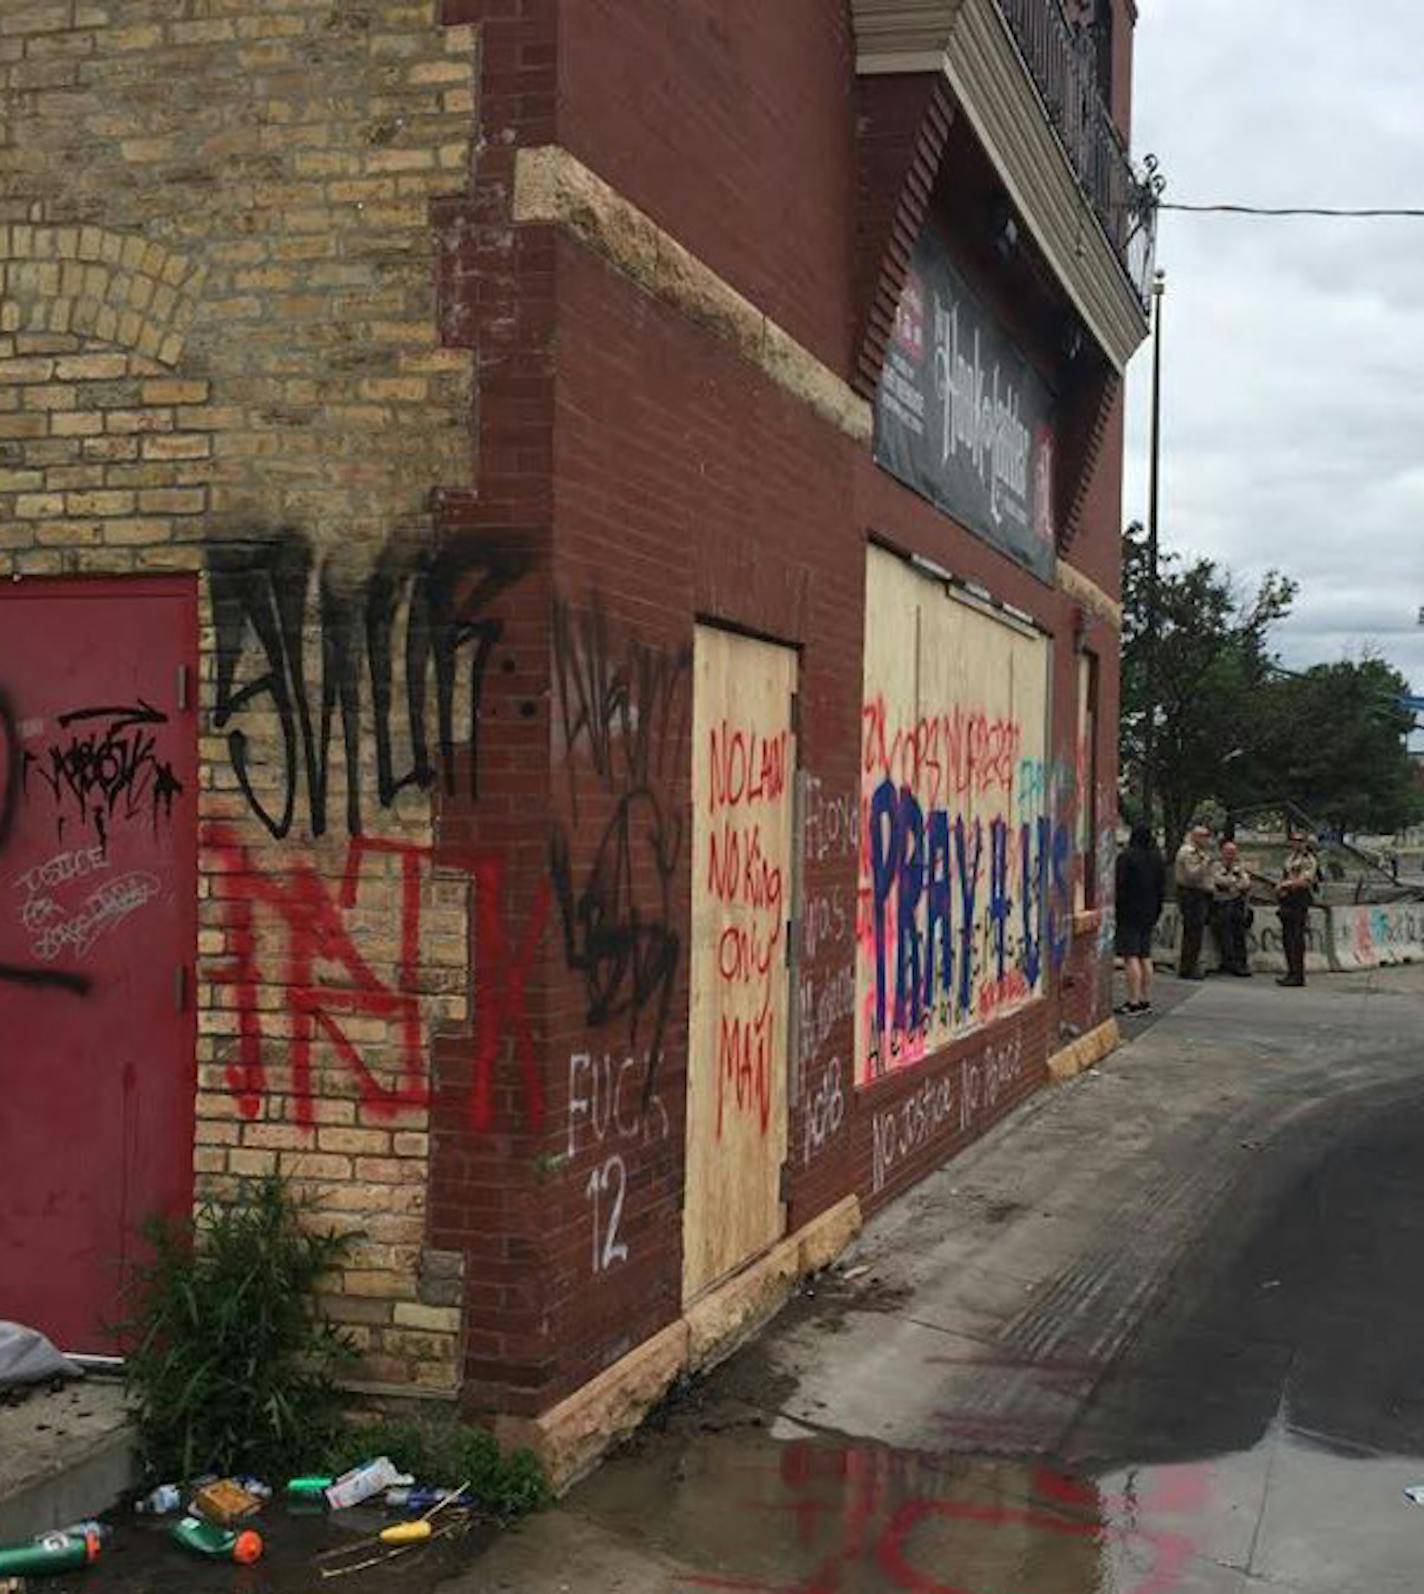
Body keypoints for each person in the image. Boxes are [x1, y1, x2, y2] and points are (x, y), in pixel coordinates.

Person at [1114, 823, 1166, 1014]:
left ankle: (1133, 1000)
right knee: (1145, 956)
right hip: (1149, 911)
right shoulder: (1156, 858)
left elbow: (1118, 885)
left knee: (1131, 956)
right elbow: (1161, 888)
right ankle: (1145, 999)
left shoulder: (1126, 857)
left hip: (1129, 911)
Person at [1275, 830, 1319, 987]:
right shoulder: (1290, 858)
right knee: (1287, 937)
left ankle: (1298, 974)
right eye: (1294, 840)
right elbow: (1285, 874)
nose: (1296, 843)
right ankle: (1291, 971)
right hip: (1287, 899)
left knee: (1296, 937)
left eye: (1300, 841)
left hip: (1299, 898)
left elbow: (1305, 881)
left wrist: (1285, 885)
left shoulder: (1309, 860)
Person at [1174, 822, 1214, 980]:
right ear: (1195, 837)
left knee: (1195, 932)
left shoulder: (1198, 852)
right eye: (1204, 836)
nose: (1207, 840)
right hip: (1192, 894)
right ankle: (1188, 967)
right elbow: (1192, 875)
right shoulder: (1189, 852)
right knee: (1193, 932)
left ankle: (1190, 964)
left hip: (1198, 894)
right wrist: (1205, 863)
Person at [1211, 840, 1253, 976]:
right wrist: (1234, 882)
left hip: (1236, 903)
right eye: (1228, 852)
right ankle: (1228, 962)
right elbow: (1217, 880)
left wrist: (1231, 884)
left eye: (1233, 853)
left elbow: (1246, 883)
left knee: (1238, 934)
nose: (1231, 855)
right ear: (1222, 853)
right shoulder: (1215, 866)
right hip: (1220, 904)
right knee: (1224, 934)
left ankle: (1241, 963)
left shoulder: (1239, 867)